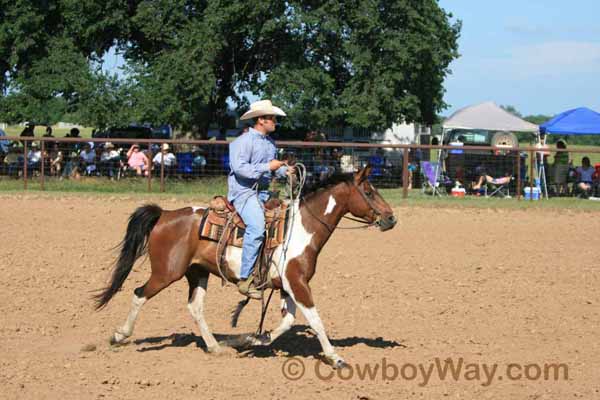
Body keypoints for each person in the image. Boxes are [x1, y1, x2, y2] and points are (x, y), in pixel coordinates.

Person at [228, 99, 292, 299]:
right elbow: (240, 169)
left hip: (263, 193)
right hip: (244, 193)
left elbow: (272, 167)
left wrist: (285, 171)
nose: (275, 122)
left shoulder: (270, 144)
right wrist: (268, 167)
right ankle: (245, 279)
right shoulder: (242, 142)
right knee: (256, 227)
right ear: (261, 120)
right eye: (272, 118)